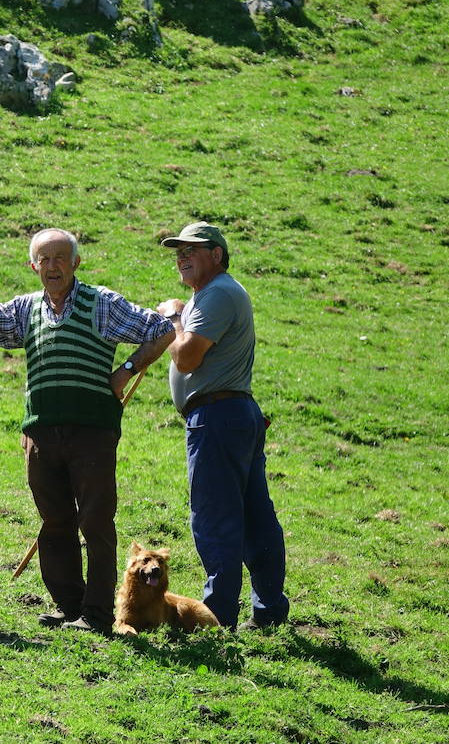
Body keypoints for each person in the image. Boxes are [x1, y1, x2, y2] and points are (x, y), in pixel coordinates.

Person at [0, 228, 174, 633]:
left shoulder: (100, 304)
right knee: (54, 521)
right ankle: (69, 605)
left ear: (75, 263)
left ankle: (97, 615)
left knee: (95, 522)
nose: (52, 267)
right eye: (44, 259)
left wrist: (124, 372)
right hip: (41, 433)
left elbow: (161, 330)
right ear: (33, 265)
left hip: (92, 431)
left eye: (60, 258)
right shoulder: (26, 309)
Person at [157, 221, 289, 631]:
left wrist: (174, 317)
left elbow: (187, 358)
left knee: (215, 519)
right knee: (253, 516)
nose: (181, 257)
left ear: (216, 254)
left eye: (191, 250)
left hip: (216, 419)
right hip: (233, 415)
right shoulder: (214, 294)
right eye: (178, 251)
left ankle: (217, 620)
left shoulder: (216, 295)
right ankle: (267, 611)